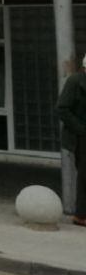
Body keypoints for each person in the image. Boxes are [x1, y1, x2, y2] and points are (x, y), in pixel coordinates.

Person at [56, 53, 86, 227]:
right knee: (84, 176)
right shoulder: (75, 81)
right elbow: (62, 109)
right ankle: (81, 215)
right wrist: (81, 129)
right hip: (81, 137)